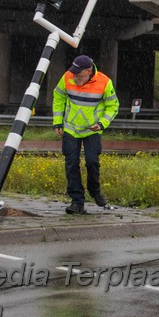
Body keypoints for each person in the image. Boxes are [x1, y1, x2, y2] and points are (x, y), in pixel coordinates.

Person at [53, 55, 119, 214]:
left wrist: (103, 123)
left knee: (92, 162)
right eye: (73, 73)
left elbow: (113, 106)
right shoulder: (67, 77)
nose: (74, 77)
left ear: (89, 71)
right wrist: (57, 121)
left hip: (92, 130)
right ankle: (77, 201)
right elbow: (58, 97)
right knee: (71, 164)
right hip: (70, 129)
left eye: (78, 74)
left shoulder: (104, 82)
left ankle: (94, 191)